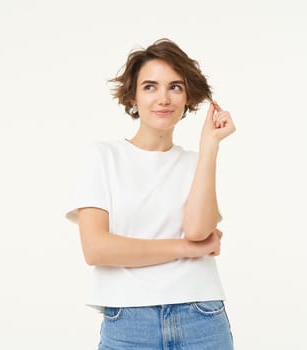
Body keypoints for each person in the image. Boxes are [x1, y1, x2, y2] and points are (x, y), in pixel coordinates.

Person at [65, 38, 236, 349]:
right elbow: (97, 249)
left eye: (175, 87)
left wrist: (210, 146)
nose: (163, 98)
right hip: (130, 323)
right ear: (133, 97)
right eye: (150, 86)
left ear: (188, 98)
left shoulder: (195, 163)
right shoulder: (103, 157)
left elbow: (199, 231)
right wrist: (188, 248)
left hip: (202, 315)